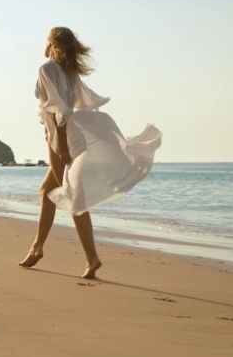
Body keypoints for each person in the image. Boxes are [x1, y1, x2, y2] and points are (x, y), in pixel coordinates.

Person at [18, 27, 163, 278]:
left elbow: (59, 111)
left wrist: (61, 146)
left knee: (73, 195)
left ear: (52, 43)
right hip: (70, 136)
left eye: (46, 41)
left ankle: (86, 256)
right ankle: (40, 248)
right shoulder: (71, 73)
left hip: (58, 138)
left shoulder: (47, 69)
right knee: (48, 191)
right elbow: (82, 105)